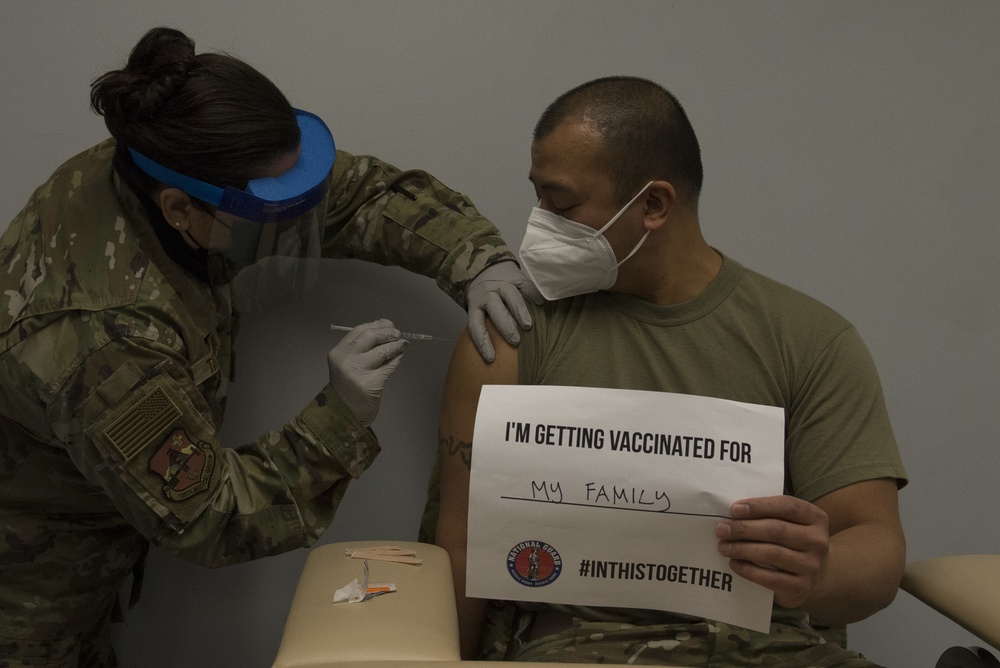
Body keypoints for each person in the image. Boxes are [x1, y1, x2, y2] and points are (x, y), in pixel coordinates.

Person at [0, 27, 540, 666]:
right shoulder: (103, 342)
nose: (291, 227)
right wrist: (339, 416)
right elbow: (209, 517)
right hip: (27, 603)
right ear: (180, 212)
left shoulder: (155, 156)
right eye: (269, 216)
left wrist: (475, 258)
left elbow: (350, 194)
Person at [430, 76, 907, 666]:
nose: (539, 223)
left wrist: (820, 568)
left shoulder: (809, 340)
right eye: (539, 197)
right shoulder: (513, 336)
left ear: (654, 205)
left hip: (775, 648)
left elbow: (877, 549)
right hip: (584, 650)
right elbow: (461, 545)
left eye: (562, 203)